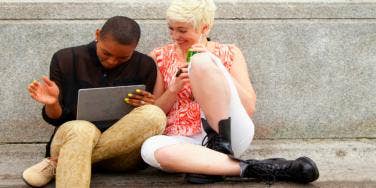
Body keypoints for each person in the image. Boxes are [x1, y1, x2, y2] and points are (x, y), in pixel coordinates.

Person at [140, 0, 319, 184]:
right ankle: (255, 168)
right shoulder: (159, 56)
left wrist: (217, 66)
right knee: (149, 148)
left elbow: (249, 107)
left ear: (205, 28)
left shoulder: (229, 53)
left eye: (182, 30)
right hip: (185, 142)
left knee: (201, 62)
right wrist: (173, 89)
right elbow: (156, 114)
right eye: (171, 29)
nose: (175, 36)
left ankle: (218, 151)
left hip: (230, 135)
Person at [22, 16, 166, 188]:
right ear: (97, 34)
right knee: (82, 128)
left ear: (134, 48)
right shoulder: (65, 58)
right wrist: (52, 103)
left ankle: (57, 162)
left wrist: (145, 104)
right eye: (106, 53)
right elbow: (55, 119)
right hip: (74, 138)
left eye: (122, 58)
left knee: (154, 113)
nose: (112, 61)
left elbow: (139, 123)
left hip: (120, 155)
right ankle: (67, 157)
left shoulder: (144, 65)